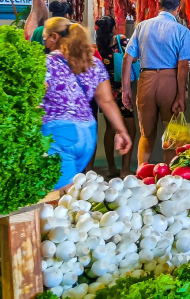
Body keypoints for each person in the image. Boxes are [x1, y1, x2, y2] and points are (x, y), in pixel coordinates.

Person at [41, 17, 132, 189]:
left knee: (61, 198)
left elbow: (36, 98)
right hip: (87, 136)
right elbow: (106, 101)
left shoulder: (48, 63)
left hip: (59, 136)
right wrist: (121, 131)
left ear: (54, 36)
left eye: (45, 36)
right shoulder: (93, 63)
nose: (44, 41)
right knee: (72, 191)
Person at [122, 0, 190, 166]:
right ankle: (169, 177)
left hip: (145, 79)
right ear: (178, 8)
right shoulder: (181, 31)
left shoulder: (142, 26)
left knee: (146, 134)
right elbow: (183, 66)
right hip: (170, 81)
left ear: (159, 6)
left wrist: (126, 89)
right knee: (174, 134)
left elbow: (127, 59)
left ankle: (141, 173)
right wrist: (180, 96)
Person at [96, 15, 138, 178]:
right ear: (114, 27)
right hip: (121, 89)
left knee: (110, 129)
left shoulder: (98, 44)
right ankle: (126, 169)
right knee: (130, 128)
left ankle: (111, 167)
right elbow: (131, 58)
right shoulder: (120, 40)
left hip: (104, 90)